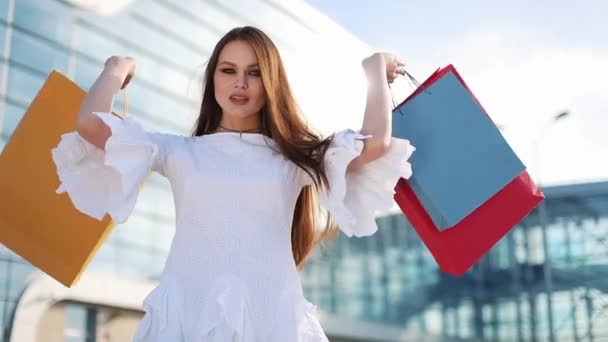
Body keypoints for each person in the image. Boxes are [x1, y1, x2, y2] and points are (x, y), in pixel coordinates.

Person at [51, 26, 414, 341]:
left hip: (271, 318)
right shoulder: (177, 151)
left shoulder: (292, 159)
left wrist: (375, 73)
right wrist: (115, 69)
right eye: (229, 70)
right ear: (213, 79)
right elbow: (90, 125)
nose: (240, 83)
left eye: (254, 73)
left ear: (270, 82)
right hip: (186, 317)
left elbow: (375, 144)